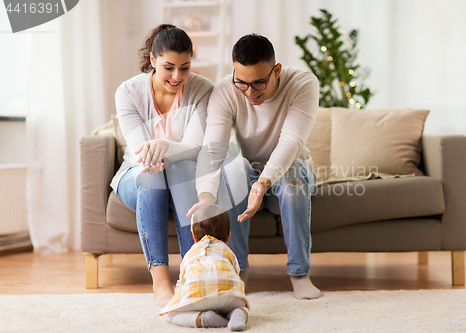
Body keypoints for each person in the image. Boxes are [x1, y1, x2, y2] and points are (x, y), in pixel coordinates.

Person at [188, 34, 321, 299]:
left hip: (288, 176)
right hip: (249, 180)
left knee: (292, 172)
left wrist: (263, 183)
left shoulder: (303, 83)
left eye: (259, 83)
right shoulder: (226, 90)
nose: (250, 93)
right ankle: (239, 273)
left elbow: (291, 141)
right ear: (234, 72)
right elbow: (214, 149)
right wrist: (206, 196)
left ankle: (299, 274)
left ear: (277, 70)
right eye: (242, 83)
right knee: (232, 168)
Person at [110, 24, 213, 306]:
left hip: (181, 177)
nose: (177, 76)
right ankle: (161, 283)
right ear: (153, 60)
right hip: (137, 176)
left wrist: (166, 147)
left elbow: (194, 146)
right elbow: (142, 153)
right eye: (169, 67)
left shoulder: (203, 90)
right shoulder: (128, 92)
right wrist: (161, 155)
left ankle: (192, 275)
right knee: (151, 174)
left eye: (185, 67)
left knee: (179, 168)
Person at [161, 204, 249, 331]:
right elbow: (235, 275)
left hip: (196, 296)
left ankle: (203, 319)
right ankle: (238, 313)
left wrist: (178, 301)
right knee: (241, 306)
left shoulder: (190, 254)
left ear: (193, 234)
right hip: (228, 296)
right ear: (228, 236)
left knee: (172, 314)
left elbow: (182, 283)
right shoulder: (228, 251)